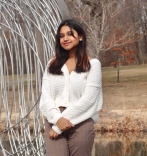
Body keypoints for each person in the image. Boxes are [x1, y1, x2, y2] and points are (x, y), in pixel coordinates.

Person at [39, 19, 103, 156]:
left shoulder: (93, 65)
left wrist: (58, 127)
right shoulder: (52, 64)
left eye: (69, 34)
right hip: (53, 118)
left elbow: (88, 100)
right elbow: (45, 97)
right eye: (61, 36)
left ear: (80, 37)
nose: (65, 39)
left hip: (81, 121)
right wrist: (57, 119)